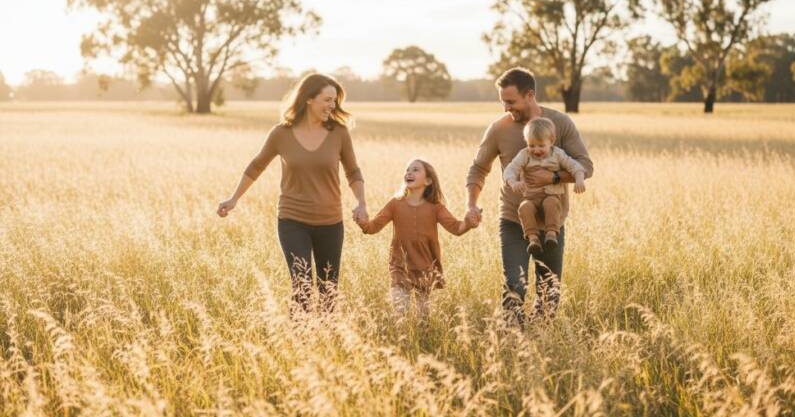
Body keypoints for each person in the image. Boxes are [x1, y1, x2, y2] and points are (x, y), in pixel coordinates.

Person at [217, 73, 367, 314]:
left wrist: (361, 203)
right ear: (309, 99)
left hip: (330, 221)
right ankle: (300, 339)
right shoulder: (281, 134)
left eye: (334, 101)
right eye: (327, 99)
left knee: (328, 287)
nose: (332, 105)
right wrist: (233, 198)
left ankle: (328, 340)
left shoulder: (339, 133)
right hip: (292, 220)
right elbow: (257, 166)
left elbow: (353, 172)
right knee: (302, 285)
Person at [465, 67, 593, 324]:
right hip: (513, 219)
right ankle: (513, 343)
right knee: (515, 285)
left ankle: (539, 342)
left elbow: (585, 166)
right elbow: (478, 169)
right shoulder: (498, 129)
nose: (506, 108)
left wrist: (554, 178)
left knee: (550, 290)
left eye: (511, 102)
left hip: (551, 222)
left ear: (530, 95)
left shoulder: (561, 124)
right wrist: (471, 204)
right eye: (503, 102)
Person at [356, 159, 477, 318]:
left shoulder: (436, 207)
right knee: (400, 313)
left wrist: (469, 223)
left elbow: (456, 228)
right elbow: (372, 227)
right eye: (407, 170)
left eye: (415, 170)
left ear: (428, 180)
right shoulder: (395, 204)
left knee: (423, 317)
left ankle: (422, 338)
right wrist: (362, 222)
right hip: (400, 266)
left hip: (425, 266)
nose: (409, 173)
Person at [503, 117, 586, 255]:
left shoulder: (558, 154)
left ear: (551, 141)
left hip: (551, 195)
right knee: (524, 208)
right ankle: (533, 239)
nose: (536, 150)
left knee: (551, 203)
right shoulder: (524, 155)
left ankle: (551, 234)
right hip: (531, 197)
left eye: (541, 146)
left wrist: (579, 179)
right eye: (531, 145)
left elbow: (575, 166)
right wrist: (513, 182)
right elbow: (510, 170)